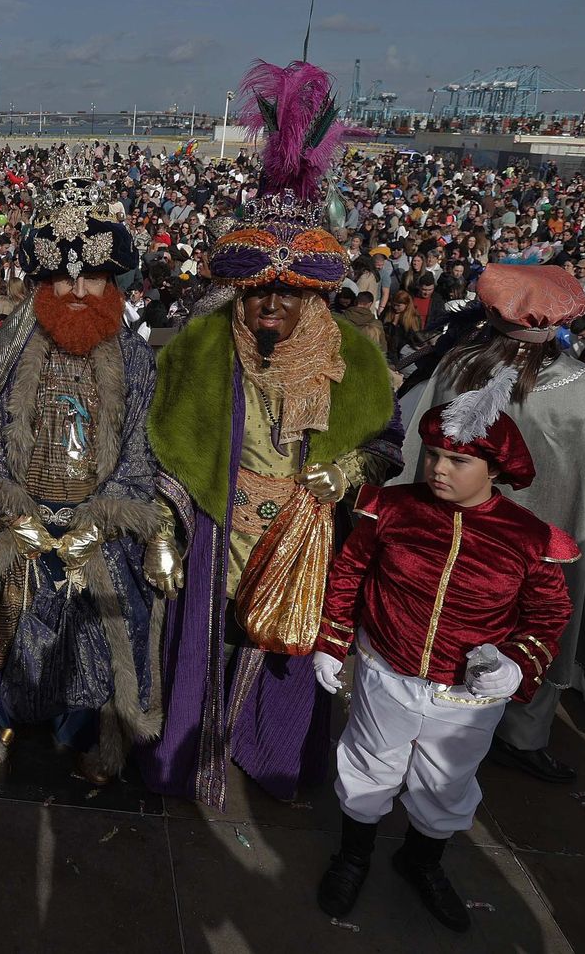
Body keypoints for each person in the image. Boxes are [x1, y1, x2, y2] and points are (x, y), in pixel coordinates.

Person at [141, 59, 403, 809]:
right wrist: (165, 527)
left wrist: (346, 470)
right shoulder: (199, 345)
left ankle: (269, 753)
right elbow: (165, 446)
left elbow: (389, 442)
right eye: (261, 295)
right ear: (242, 291)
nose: (271, 312)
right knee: (204, 644)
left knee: (283, 659)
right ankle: (194, 750)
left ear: (315, 299)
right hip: (218, 526)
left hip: (302, 534)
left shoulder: (353, 357)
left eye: (290, 298)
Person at [313, 398, 574, 932]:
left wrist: (516, 666)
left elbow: (548, 612)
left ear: (495, 469)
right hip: (388, 668)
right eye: (431, 454)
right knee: (368, 765)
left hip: (468, 695)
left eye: (458, 461)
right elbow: (348, 574)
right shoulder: (389, 508)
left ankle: (420, 860)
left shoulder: (528, 537)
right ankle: (354, 856)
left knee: (447, 783)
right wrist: (332, 641)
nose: (437, 469)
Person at [0, 170, 169, 782]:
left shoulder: (134, 359)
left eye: (88, 274)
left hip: (99, 523)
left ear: (111, 281)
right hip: (24, 517)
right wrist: (13, 513)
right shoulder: (10, 349)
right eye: (60, 274)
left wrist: (104, 524)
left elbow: (140, 451)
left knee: (104, 632)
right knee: (6, 631)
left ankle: (103, 736)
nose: (74, 287)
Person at [398, 264, 585, 782]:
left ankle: (432, 718)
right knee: (538, 626)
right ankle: (521, 734)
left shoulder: (460, 369)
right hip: (536, 546)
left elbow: (420, 454)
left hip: (478, 538)